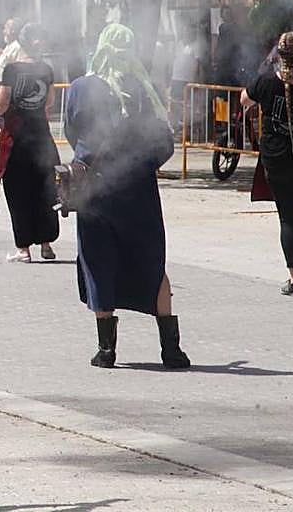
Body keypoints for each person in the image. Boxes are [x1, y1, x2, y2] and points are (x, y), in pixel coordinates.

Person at [64, 23, 190, 371]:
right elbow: (162, 142)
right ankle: (172, 352)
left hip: (97, 190)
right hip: (139, 191)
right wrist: (140, 164)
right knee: (152, 262)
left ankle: (106, 351)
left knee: (98, 260)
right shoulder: (143, 89)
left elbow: (72, 131)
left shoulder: (80, 88)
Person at [242, 31, 293, 296]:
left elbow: (244, 99)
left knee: (289, 220)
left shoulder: (266, 82)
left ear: (281, 54)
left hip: (279, 162)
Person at [0, 23, 60, 262]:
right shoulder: (47, 70)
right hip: (41, 138)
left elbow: (2, 104)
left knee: (19, 194)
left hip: (16, 140)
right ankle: (46, 244)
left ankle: (23, 249)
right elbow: (49, 102)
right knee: (44, 191)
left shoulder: (11, 69)